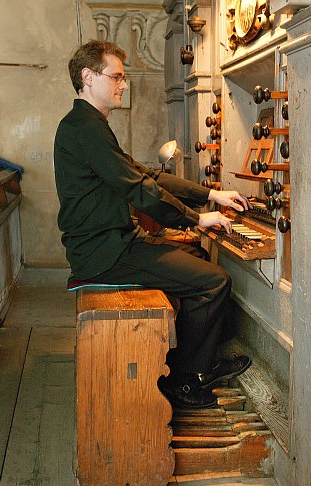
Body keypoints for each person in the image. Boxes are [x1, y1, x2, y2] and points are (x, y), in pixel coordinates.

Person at [54, 40, 252, 409]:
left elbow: (148, 175)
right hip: (105, 253)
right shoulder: (85, 129)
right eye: (117, 77)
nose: (124, 85)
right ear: (88, 77)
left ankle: (196, 361)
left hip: (111, 244)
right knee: (214, 282)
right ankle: (185, 381)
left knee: (194, 251)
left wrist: (211, 195)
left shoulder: (89, 126)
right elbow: (139, 190)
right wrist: (197, 219)